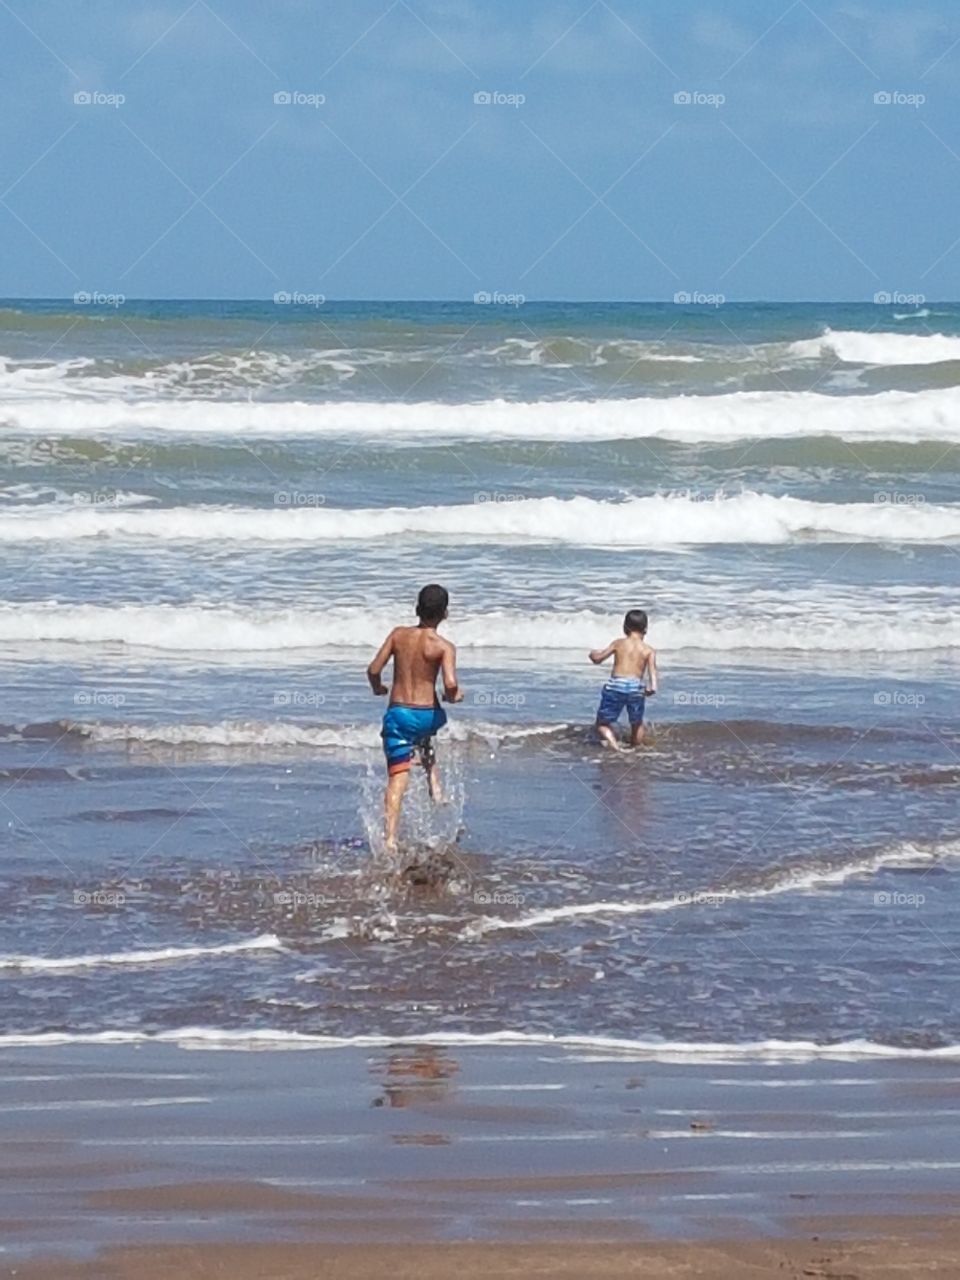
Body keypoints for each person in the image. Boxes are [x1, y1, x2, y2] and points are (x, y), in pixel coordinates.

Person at [367, 584, 463, 852]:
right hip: (427, 716)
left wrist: (378, 688)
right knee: (424, 734)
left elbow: (374, 669)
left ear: (417, 609)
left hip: (399, 714)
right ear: (445, 613)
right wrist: (454, 696)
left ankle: (390, 839)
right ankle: (434, 782)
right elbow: (451, 684)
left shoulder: (398, 635)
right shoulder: (444, 646)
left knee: (397, 778)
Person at [588, 609, 658, 750]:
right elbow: (653, 671)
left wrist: (593, 655)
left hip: (616, 686)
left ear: (625, 627)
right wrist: (653, 686)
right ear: (645, 629)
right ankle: (635, 749)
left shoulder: (618, 643)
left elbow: (599, 659)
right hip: (636, 688)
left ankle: (615, 747)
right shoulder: (648, 650)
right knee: (637, 723)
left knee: (602, 724)